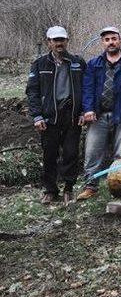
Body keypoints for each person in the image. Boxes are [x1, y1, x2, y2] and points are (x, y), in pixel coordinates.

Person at [26, 26, 86, 204]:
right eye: (55, 40)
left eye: (62, 39)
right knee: (49, 154)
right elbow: (32, 91)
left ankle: (68, 188)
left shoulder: (78, 63)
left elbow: (86, 89)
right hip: (49, 116)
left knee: (70, 153)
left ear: (67, 41)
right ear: (49, 42)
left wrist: (83, 111)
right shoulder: (39, 64)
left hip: (72, 115)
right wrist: (37, 116)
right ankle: (50, 190)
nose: (59, 43)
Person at [77, 26, 121, 200]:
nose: (111, 42)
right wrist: (88, 109)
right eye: (107, 39)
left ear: (120, 40)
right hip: (98, 115)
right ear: (102, 42)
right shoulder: (94, 64)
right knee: (93, 152)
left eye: (114, 38)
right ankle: (90, 186)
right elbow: (87, 88)